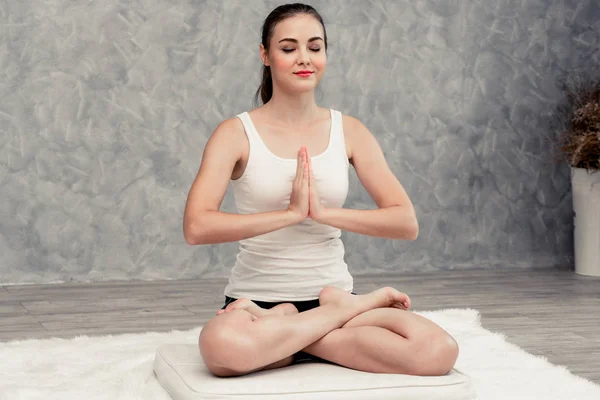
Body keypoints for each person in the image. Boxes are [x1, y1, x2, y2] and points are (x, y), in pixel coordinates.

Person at [183, 3, 459, 378]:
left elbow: (405, 222)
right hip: (257, 299)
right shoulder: (235, 133)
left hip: (329, 297)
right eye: (288, 48)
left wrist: (323, 214)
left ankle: (299, 331)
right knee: (223, 349)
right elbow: (197, 227)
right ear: (265, 55)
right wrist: (289, 215)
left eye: (315, 47)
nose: (304, 59)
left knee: (437, 352)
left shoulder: (350, 130)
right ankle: (317, 323)